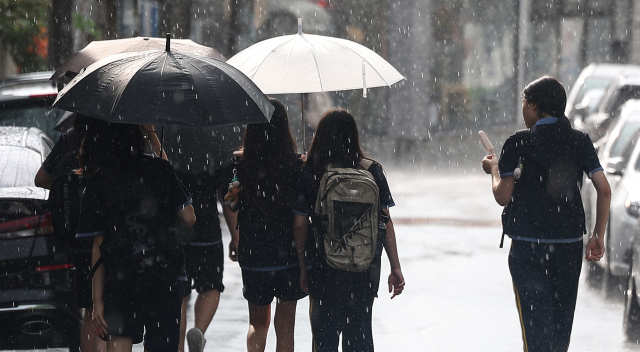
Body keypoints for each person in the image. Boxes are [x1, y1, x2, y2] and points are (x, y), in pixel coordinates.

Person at [482, 76, 611, 352]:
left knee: (535, 329)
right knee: (560, 329)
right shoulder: (580, 141)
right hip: (568, 246)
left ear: (535, 106)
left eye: (524, 103)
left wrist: (493, 170)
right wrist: (598, 235)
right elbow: (605, 190)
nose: (522, 109)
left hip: (528, 247)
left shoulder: (517, 143)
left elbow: (502, 196)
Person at [75, 123, 196, 352]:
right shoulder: (160, 170)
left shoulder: (98, 182)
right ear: (139, 139)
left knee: (119, 344)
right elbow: (189, 218)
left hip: (121, 281)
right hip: (164, 277)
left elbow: (98, 246)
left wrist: (97, 300)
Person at [292, 108, 405, 352]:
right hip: (364, 268)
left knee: (325, 339)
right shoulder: (372, 170)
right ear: (354, 136)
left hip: (323, 267)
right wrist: (395, 267)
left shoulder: (311, 171)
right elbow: (385, 222)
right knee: (360, 335)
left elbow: (300, 224)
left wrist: (302, 267)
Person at [223, 98, 307, 352]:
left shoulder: (239, 163)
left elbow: (230, 203)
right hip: (288, 253)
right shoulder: (296, 165)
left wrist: (235, 238)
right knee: (285, 327)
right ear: (285, 127)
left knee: (258, 324)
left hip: (253, 252)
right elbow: (301, 217)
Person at [34, 114, 108, 352]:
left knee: (90, 308)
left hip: (77, 237)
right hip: (110, 234)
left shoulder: (69, 139)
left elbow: (41, 179)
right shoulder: (113, 138)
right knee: (111, 307)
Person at [176, 169, 229, 352]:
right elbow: (226, 195)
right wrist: (236, 237)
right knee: (211, 285)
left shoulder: (169, 145)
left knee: (179, 291)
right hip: (207, 225)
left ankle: (178, 345)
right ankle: (199, 329)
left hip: (177, 225)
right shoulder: (212, 148)